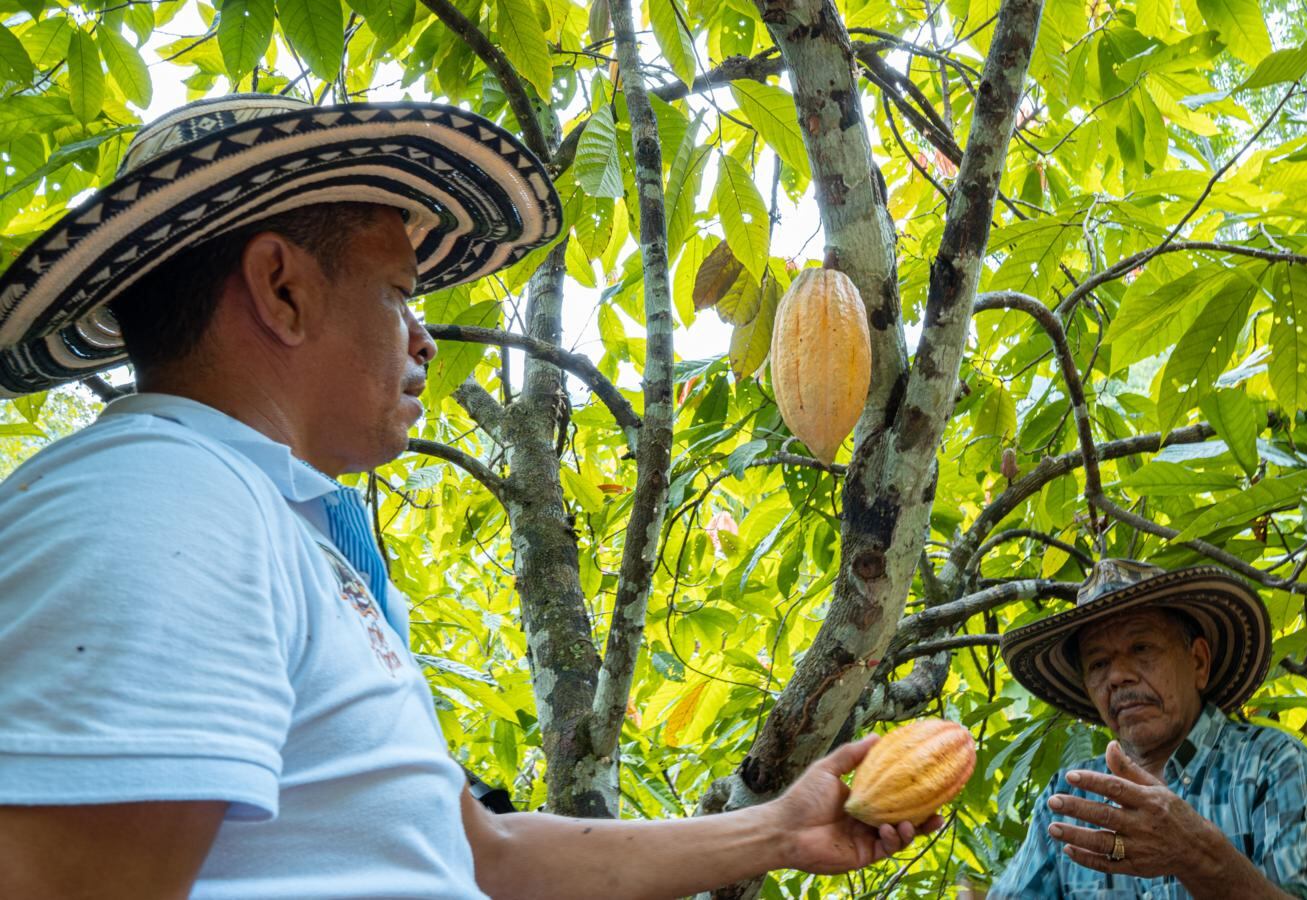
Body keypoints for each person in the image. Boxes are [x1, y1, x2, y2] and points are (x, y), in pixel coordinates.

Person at [0, 94, 935, 899]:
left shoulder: (272, 526)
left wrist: (781, 830)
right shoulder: (161, 502)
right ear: (282, 290)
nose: (424, 340)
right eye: (400, 294)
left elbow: (481, 852)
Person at [991, 559, 1307, 899]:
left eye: (1142, 647)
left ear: (1198, 662)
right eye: (1098, 663)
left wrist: (1194, 855)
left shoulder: (1272, 765)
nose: (1117, 676)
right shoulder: (1069, 799)